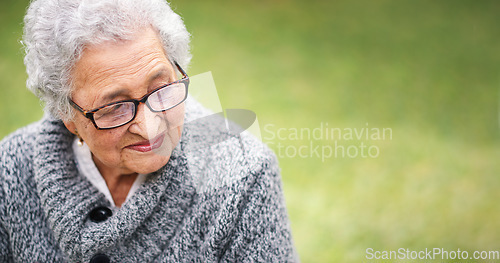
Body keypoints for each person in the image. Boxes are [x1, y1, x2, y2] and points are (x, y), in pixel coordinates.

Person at [0, 0, 298, 262]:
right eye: (115, 106)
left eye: (161, 88)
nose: (150, 126)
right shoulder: (9, 170)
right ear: (68, 117)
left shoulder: (243, 173)